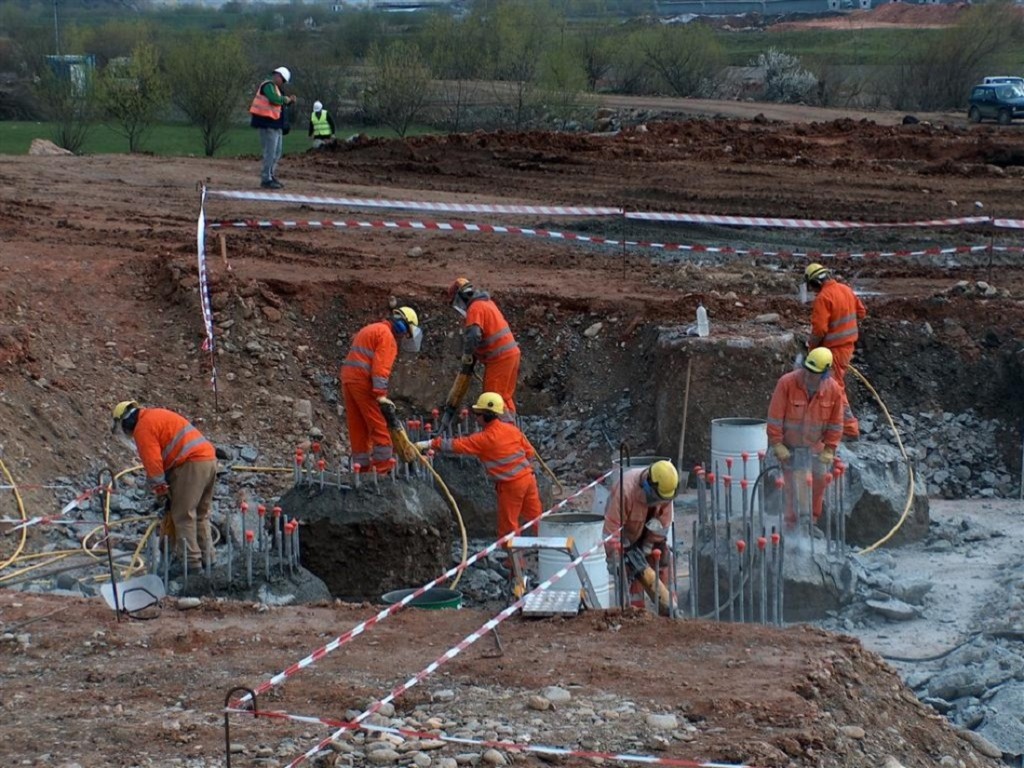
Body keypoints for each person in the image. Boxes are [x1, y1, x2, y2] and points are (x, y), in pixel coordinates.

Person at [416, 392, 541, 539]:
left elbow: (458, 445)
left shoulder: (485, 439)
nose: (475, 417)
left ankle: (513, 561)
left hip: (510, 485)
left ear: (487, 416)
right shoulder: (511, 429)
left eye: (478, 413)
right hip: (528, 479)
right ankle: (551, 551)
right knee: (537, 517)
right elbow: (530, 452)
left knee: (508, 527)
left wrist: (430, 443)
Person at [111, 401, 217, 572]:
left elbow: (153, 463)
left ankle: (192, 565)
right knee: (200, 514)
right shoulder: (156, 415)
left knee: (183, 515)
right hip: (209, 460)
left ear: (126, 422)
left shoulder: (143, 428)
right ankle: (208, 559)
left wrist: (161, 489)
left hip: (191, 464)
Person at [766, 347, 843, 528]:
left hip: (815, 448)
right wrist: (777, 444)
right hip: (790, 448)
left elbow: (836, 423)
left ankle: (811, 523)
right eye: (807, 371)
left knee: (818, 483)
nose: (809, 376)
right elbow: (774, 417)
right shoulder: (787, 383)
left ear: (824, 374)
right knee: (793, 485)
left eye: (815, 374)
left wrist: (830, 448)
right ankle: (792, 525)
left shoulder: (833, 390)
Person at [341, 306, 423, 474]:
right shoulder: (387, 337)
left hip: (349, 381)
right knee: (381, 429)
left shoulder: (372, 328)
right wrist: (381, 396)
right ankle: (381, 471)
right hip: (364, 384)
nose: (402, 337)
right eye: (405, 332)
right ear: (401, 325)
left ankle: (361, 469)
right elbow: (380, 370)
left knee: (359, 428)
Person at [603, 460, 678, 609]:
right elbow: (611, 530)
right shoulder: (625, 490)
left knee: (664, 563)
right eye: (656, 498)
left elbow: (661, 527)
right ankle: (637, 614)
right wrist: (616, 557)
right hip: (626, 541)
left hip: (647, 538)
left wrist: (650, 547)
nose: (659, 503)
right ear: (647, 485)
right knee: (634, 573)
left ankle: (671, 612)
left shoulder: (664, 491)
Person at [804, 263, 867, 439]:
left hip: (834, 351)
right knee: (831, 386)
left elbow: (819, 330)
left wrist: (812, 348)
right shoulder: (845, 289)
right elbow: (861, 313)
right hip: (847, 347)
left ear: (815, 282)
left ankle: (849, 429)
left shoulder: (823, 298)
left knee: (835, 388)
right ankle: (832, 425)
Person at [447, 277, 521, 419]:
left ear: (462, 297)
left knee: (491, 400)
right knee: (504, 397)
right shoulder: (487, 303)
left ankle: (500, 435)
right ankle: (511, 431)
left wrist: (468, 354)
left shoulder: (475, 308)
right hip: (511, 356)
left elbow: (474, 335)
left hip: (499, 359)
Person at [249, 66, 296, 190]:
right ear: (279, 76)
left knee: (276, 153)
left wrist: (287, 102)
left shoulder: (276, 89)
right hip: (267, 124)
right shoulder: (268, 86)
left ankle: (270, 175)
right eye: (283, 80)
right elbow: (274, 100)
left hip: (275, 125)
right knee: (270, 153)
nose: (282, 82)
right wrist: (285, 99)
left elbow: (279, 106)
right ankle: (266, 179)